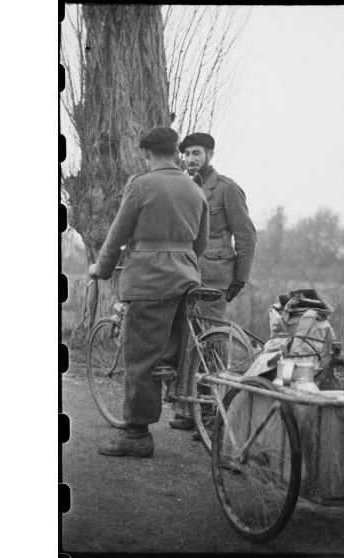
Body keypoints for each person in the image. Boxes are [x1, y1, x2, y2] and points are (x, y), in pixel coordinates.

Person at [88, 126, 209, 458]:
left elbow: (116, 236)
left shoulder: (141, 186)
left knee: (140, 358)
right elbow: (200, 242)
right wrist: (181, 262)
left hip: (150, 281)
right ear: (176, 152)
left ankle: (137, 435)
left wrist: (102, 268)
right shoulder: (194, 189)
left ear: (147, 153)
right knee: (173, 353)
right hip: (186, 279)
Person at [169, 132, 257, 432]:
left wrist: (240, 278)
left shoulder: (227, 189)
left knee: (214, 343)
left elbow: (246, 235)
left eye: (197, 153)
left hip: (216, 276)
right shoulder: (183, 187)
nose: (191, 159)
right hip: (185, 273)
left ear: (210, 155)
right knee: (186, 339)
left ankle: (212, 415)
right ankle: (186, 408)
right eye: (188, 154)